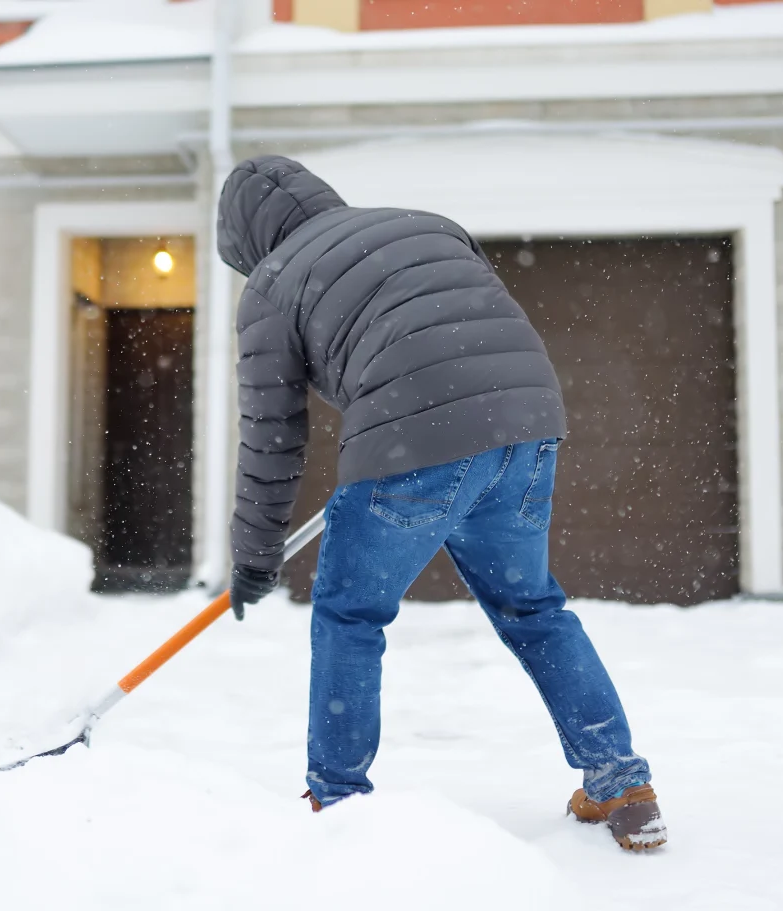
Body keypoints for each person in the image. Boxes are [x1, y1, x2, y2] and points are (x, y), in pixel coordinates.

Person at [216, 155, 666, 851]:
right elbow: (466, 322)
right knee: (533, 607)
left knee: (349, 614)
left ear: (247, 242)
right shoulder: (426, 224)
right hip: (527, 418)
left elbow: (272, 437)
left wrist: (253, 556)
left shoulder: (272, 286)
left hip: (410, 435)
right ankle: (621, 781)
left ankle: (338, 800)